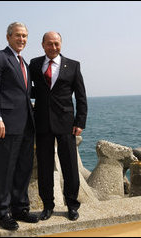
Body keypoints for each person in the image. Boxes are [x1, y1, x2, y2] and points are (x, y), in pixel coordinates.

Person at [0, 22, 38, 231]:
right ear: (8, 37)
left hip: (26, 124)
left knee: (23, 169)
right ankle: (3, 213)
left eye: (24, 36)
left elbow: (25, 91)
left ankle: (20, 208)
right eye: (17, 35)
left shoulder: (24, 63)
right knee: (5, 170)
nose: (21, 39)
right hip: (4, 125)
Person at [29, 31, 88, 221]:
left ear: (61, 44)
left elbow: (80, 96)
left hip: (66, 124)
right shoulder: (35, 64)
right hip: (42, 124)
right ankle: (47, 206)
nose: (53, 47)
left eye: (56, 44)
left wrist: (80, 122)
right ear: (43, 45)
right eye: (49, 44)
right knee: (45, 168)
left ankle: (72, 205)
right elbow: (29, 90)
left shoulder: (73, 65)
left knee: (70, 166)